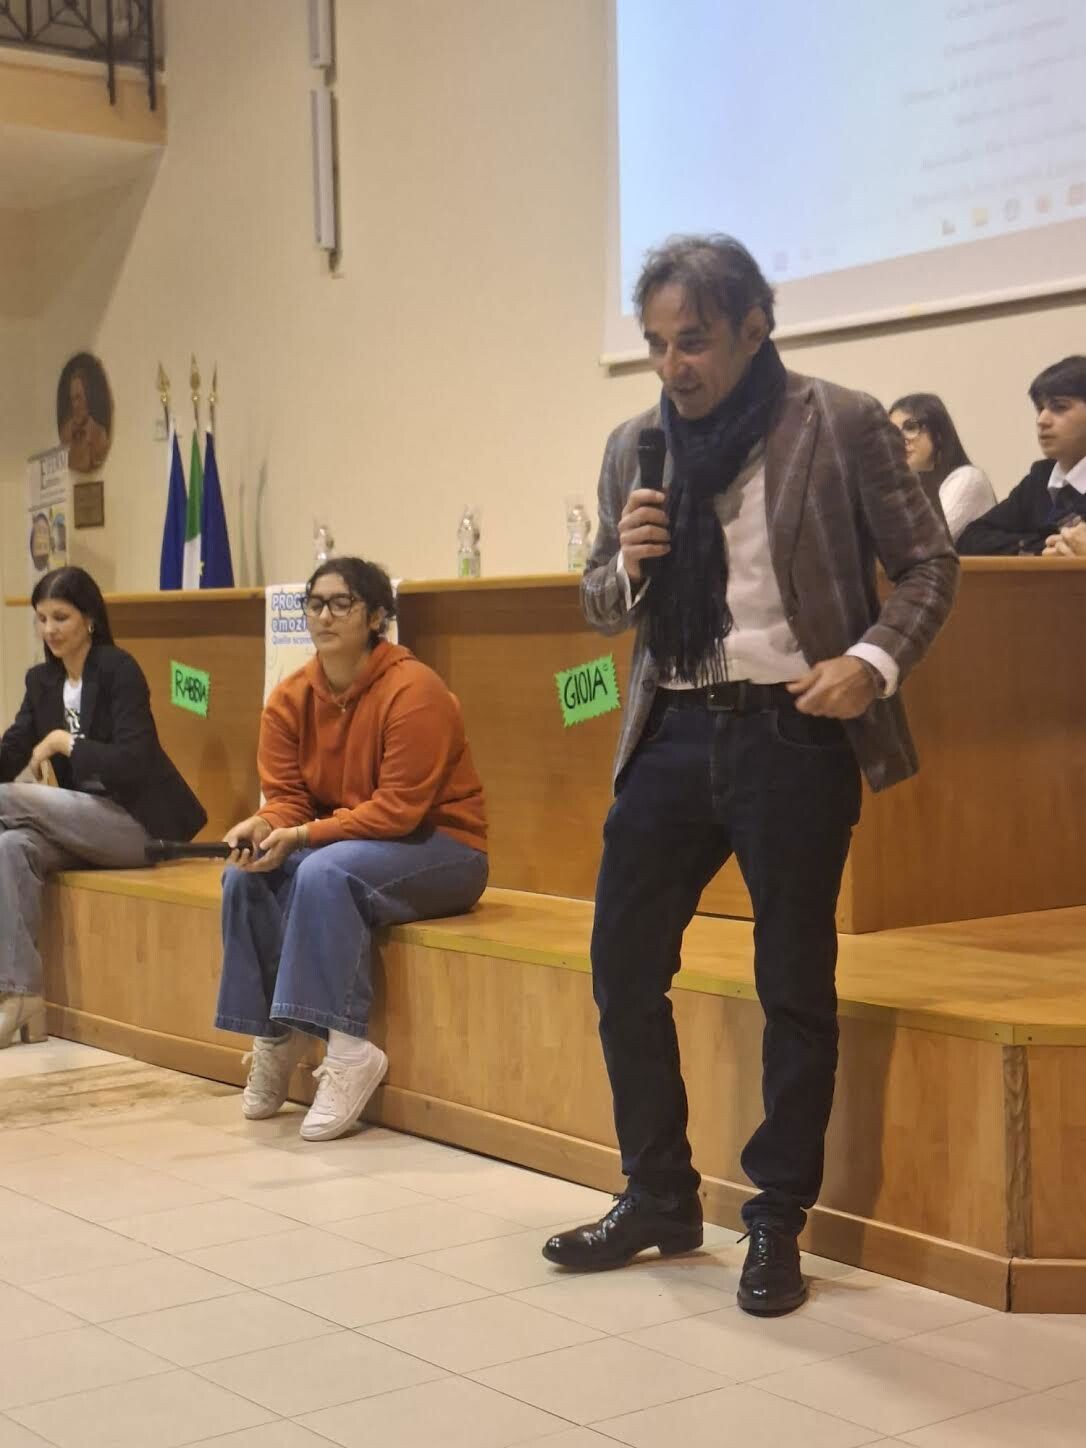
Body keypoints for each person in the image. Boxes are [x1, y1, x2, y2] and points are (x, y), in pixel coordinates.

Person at [541, 235, 958, 1315]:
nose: (675, 366)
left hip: (791, 731)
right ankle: (660, 1194)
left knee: (791, 984)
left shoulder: (841, 419)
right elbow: (595, 601)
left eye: (695, 341)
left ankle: (775, 1215)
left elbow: (928, 562)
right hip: (671, 727)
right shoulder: (636, 443)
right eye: (657, 344)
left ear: (754, 327)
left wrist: (871, 662)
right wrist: (625, 565)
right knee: (623, 965)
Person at [216, 557, 488, 1143]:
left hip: (444, 848)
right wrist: (263, 824)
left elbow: (399, 811)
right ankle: (276, 1037)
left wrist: (304, 836)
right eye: (314, 603)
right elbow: (288, 798)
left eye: (341, 603)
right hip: (351, 846)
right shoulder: (290, 698)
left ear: (377, 618)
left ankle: (349, 1052)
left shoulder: (416, 691)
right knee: (244, 875)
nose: (323, 615)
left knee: (321, 871)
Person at [0, 567, 207, 1048]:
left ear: (90, 619)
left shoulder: (119, 670)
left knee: (7, 801)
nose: (49, 630)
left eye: (61, 617)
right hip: (80, 826)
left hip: (136, 825)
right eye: (41, 619)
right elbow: (12, 751)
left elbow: (134, 761)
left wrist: (66, 743)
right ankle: (22, 997)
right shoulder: (42, 682)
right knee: (11, 846)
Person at [957, 356, 1086, 555]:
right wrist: (1044, 547)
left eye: (1059, 407)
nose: (1042, 420)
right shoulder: (1041, 477)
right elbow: (971, 539)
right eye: (1040, 409)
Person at [887, 393, 994, 541]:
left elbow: (924, 540)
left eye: (911, 427)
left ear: (938, 434)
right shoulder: (900, 486)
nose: (900, 440)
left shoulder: (968, 479)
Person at [58, 363, 110, 474]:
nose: (75, 405)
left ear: (88, 397)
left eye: (79, 397)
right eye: (72, 399)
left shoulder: (100, 434)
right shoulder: (64, 434)